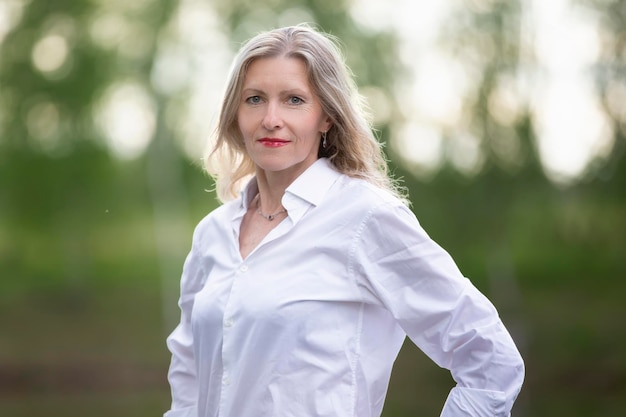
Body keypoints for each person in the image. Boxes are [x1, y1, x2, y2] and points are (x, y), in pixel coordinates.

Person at [164, 24, 524, 417]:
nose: (271, 118)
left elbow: (491, 359)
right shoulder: (213, 233)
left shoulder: (365, 219)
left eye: (294, 100)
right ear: (235, 113)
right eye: (255, 99)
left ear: (327, 118)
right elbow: (189, 372)